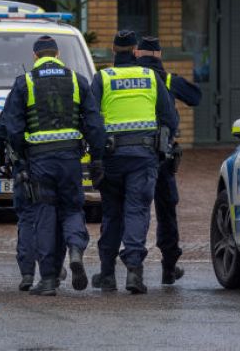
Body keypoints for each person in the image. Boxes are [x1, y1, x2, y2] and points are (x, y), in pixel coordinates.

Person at [0, 35, 105, 296]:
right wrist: (97, 159)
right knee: (72, 209)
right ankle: (76, 251)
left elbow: (12, 128)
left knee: (45, 215)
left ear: (35, 57)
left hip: (40, 162)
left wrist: (21, 161)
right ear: (57, 55)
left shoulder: (24, 82)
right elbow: (94, 124)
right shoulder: (77, 80)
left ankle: (47, 280)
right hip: (70, 159)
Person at [90, 30, 179, 295]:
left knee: (112, 213)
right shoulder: (150, 77)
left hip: (112, 159)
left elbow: (92, 120)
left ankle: (107, 273)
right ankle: (133, 273)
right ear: (136, 52)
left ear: (114, 51)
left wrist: (95, 156)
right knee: (137, 211)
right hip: (143, 157)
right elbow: (170, 118)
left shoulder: (103, 78)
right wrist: (163, 143)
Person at [135, 35, 201, 284]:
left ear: (137, 54)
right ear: (160, 55)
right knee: (166, 211)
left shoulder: (130, 79)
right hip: (163, 155)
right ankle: (169, 267)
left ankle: (131, 265)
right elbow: (196, 97)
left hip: (133, 154)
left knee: (132, 209)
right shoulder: (168, 79)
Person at [0, 112, 67, 291]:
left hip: (24, 167)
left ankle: (27, 273)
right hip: (56, 165)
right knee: (53, 218)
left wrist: (2, 159)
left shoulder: (20, 92)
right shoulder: (62, 93)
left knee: (27, 217)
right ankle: (53, 270)